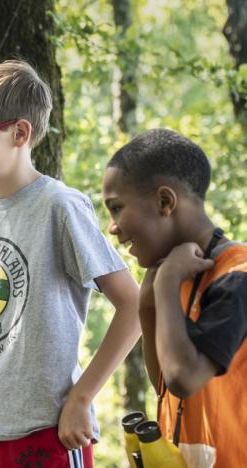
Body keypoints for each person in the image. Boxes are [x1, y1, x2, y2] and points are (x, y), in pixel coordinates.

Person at [0, 60, 140, 467]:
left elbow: (135, 306)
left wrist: (81, 398)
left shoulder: (60, 206)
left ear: (20, 133)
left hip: (49, 430)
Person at [102, 128, 247, 467]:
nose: (113, 227)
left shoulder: (236, 278)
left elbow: (184, 377)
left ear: (165, 201)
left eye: (117, 208)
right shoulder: (180, 273)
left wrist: (166, 284)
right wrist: (148, 302)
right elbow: (164, 383)